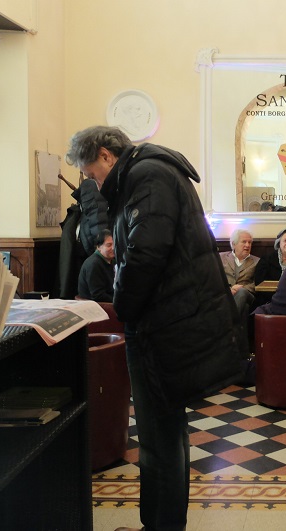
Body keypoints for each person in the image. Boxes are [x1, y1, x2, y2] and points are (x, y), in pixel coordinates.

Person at [66, 125, 244, 531]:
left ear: (107, 156)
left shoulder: (147, 175)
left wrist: (124, 308)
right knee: (166, 433)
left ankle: (160, 527)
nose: (93, 182)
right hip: (169, 320)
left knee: (158, 437)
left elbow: (145, 255)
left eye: (92, 173)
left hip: (160, 325)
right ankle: (164, 524)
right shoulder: (151, 173)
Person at [220, 228, 259, 322]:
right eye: (244, 242)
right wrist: (229, 289)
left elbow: (257, 283)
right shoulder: (221, 258)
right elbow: (215, 278)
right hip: (226, 294)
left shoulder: (257, 261)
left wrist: (240, 288)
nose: (247, 245)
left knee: (241, 292)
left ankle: (228, 324)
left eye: (249, 242)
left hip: (247, 294)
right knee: (244, 308)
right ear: (234, 244)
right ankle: (237, 334)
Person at [77, 229, 115, 302]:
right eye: (109, 245)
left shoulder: (112, 261)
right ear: (98, 247)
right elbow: (98, 296)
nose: (113, 248)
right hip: (94, 306)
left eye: (114, 244)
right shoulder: (94, 264)